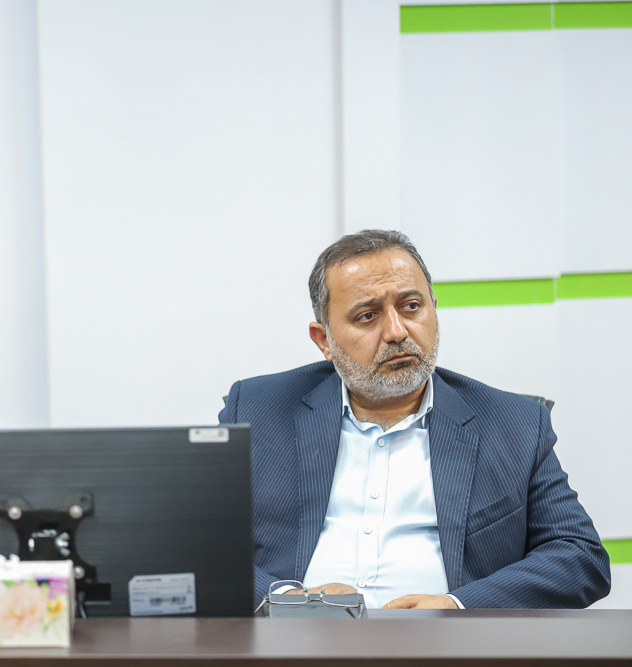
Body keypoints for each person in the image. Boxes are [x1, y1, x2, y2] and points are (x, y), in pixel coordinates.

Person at [220, 230, 610, 609]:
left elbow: (580, 556)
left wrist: (457, 606)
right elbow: (199, 545)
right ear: (324, 340)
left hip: (445, 643)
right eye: (368, 316)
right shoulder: (257, 409)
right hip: (295, 639)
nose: (396, 332)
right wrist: (284, 601)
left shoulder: (513, 424)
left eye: (411, 307)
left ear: (433, 309)